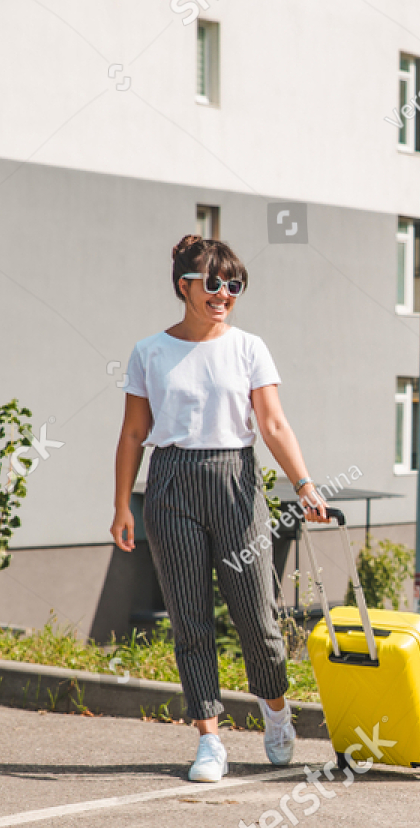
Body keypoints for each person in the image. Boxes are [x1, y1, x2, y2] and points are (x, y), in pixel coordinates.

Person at [110, 235, 327, 782]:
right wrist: (121, 506)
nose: (224, 294)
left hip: (236, 480)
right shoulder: (149, 352)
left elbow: (273, 424)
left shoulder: (250, 347)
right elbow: (134, 433)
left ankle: (276, 714)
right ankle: (210, 739)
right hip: (171, 484)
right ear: (184, 286)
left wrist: (304, 484)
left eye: (234, 285)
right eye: (213, 283)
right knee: (190, 620)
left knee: (257, 615)